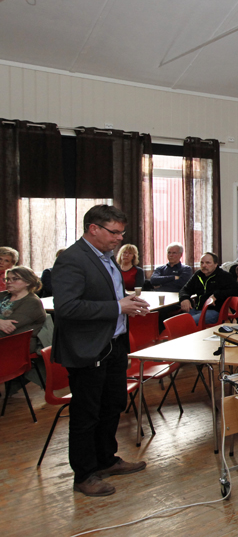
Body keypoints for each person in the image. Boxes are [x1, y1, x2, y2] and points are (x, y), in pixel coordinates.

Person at [52, 204, 150, 497]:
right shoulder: (72, 260)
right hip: (88, 350)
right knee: (87, 414)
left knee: (112, 405)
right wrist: (117, 306)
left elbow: (108, 299)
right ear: (93, 229)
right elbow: (67, 308)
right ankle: (84, 474)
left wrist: (128, 306)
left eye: (122, 232)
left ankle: (106, 460)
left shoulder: (107, 259)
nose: (120, 238)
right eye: (114, 232)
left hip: (114, 345)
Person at [179, 252, 238, 325]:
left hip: (214, 311)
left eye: (208, 263)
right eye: (202, 263)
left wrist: (216, 295)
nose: (204, 265)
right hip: (197, 309)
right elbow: (185, 289)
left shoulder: (224, 276)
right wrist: (184, 298)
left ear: (216, 264)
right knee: (175, 322)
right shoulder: (198, 275)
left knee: (185, 323)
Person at [0, 266, 47, 353]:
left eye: (15, 279)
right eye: (7, 279)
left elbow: (8, 328)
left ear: (28, 282)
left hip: (15, 345)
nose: (9, 282)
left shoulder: (32, 302)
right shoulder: (3, 295)